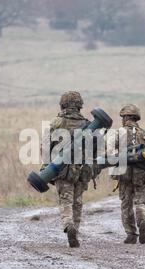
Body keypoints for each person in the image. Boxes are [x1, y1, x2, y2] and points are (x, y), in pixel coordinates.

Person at [43, 91, 94, 248]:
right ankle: (75, 231)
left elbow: (45, 146)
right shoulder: (88, 124)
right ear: (79, 106)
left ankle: (68, 224)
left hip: (62, 168)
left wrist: (46, 166)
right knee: (77, 202)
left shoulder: (56, 123)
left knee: (65, 199)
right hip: (82, 168)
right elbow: (96, 148)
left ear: (63, 105)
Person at [112, 104, 145, 244]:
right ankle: (142, 219)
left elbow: (109, 152)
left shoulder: (119, 134)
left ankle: (131, 234)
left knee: (126, 203)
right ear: (136, 118)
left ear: (126, 118)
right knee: (141, 202)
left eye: (123, 117)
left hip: (125, 174)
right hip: (143, 175)